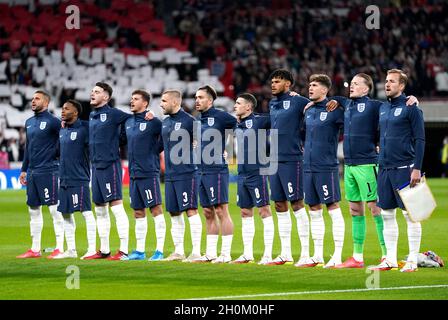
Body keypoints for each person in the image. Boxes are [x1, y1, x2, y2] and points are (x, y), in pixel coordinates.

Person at [325, 74, 418, 268]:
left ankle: (386, 255)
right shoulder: (347, 104)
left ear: (366, 89)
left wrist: (412, 98)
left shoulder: (375, 106)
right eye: (350, 84)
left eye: (356, 84)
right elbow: (340, 99)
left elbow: (396, 105)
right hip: (349, 166)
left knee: (376, 208)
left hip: (368, 164)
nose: (351, 86)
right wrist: (335, 99)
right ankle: (357, 257)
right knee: (354, 210)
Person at [369, 69, 425, 272]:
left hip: (405, 169)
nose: (387, 84)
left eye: (392, 81)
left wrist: (417, 168)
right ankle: (390, 259)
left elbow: (420, 139)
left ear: (402, 86)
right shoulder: (383, 108)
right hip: (384, 169)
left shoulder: (411, 108)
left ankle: (412, 260)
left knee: (410, 216)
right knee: (386, 214)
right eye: (386, 81)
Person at [267, 69, 313, 266]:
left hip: (292, 158)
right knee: (279, 205)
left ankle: (305, 253)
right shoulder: (272, 103)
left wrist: (335, 100)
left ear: (288, 84)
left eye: (277, 81)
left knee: (296, 204)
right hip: (274, 160)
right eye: (272, 81)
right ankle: (285, 253)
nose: (273, 84)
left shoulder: (298, 101)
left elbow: (319, 104)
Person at [301, 74, 345, 268]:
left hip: (326, 167)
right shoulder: (308, 111)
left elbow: (352, 126)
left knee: (333, 208)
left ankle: (337, 255)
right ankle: (317, 255)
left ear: (325, 90)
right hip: (308, 167)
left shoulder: (334, 110)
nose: (310, 88)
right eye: (309, 84)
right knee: (314, 210)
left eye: (315, 85)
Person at [83, 82, 131, 260]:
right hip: (95, 166)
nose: (92, 93)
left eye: (96, 91)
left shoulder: (113, 114)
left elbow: (132, 120)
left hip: (110, 165)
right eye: (92, 90)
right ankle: (104, 250)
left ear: (106, 97)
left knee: (116, 208)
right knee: (100, 210)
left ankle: (124, 251)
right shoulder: (93, 115)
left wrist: (120, 140)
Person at [17, 90, 64, 259]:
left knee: (54, 210)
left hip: (49, 171)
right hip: (33, 172)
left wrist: (58, 158)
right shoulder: (29, 122)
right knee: (33, 210)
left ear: (46, 102)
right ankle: (34, 249)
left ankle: (60, 247)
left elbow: (64, 140)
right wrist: (24, 169)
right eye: (32, 98)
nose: (33, 101)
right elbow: (28, 148)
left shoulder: (53, 122)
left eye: (37, 98)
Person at [193, 85, 237, 263]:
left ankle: (225, 254)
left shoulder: (220, 116)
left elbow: (239, 126)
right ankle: (210, 253)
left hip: (216, 169)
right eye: (196, 97)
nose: (197, 100)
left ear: (210, 101)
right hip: (201, 170)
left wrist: (228, 149)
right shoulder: (197, 120)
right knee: (207, 212)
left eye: (201, 97)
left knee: (221, 210)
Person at [231, 93, 275, 265]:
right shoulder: (236, 124)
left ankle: (267, 255)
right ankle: (247, 254)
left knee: (264, 211)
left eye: (238, 103)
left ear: (248, 107)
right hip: (242, 174)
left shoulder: (260, 121)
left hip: (258, 172)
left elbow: (280, 119)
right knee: (244, 212)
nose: (235, 105)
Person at [160, 89, 203, 262]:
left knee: (191, 210)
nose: (161, 104)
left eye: (164, 101)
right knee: (174, 212)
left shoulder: (189, 121)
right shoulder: (164, 122)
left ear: (175, 103)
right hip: (170, 174)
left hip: (187, 173)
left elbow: (204, 142)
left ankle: (196, 252)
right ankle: (178, 251)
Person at [124, 90, 166, 261]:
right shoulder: (128, 122)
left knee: (156, 209)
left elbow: (166, 135)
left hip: (149, 172)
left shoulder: (154, 122)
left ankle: (159, 251)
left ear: (145, 103)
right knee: (138, 212)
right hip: (134, 173)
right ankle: (140, 252)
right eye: (131, 98)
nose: (132, 101)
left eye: (136, 99)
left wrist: (153, 153)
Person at [52, 100, 97, 259]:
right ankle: (71, 250)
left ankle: (92, 248)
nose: (62, 111)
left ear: (76, 112)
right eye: (62, 108)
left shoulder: (86, 127)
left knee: (86, 213)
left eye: (66, 109)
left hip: (79, 178)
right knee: (65, 213)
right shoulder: (63, 130)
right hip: (63, 178)